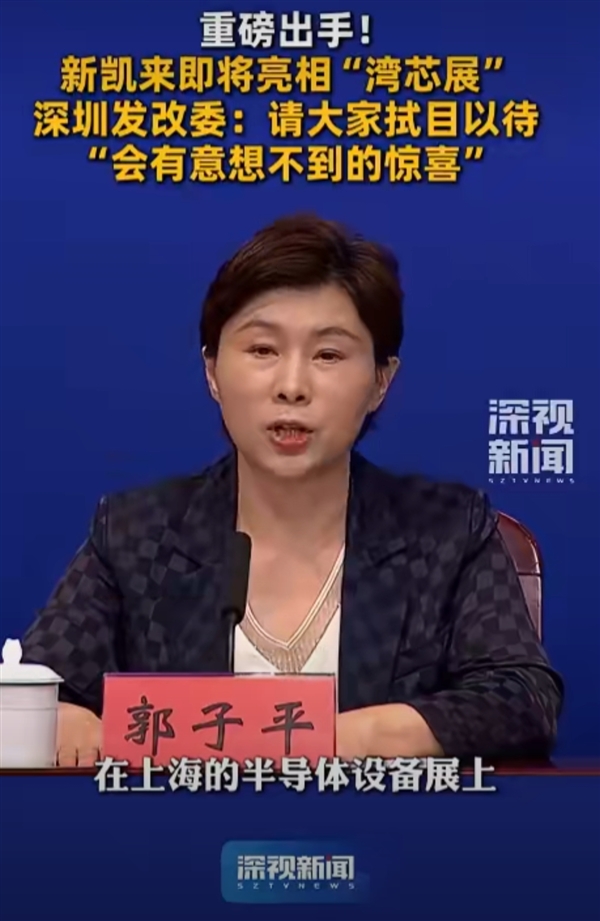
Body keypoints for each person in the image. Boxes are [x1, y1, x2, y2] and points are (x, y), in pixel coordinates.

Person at [21, 213, 563, 767]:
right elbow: (33, 687)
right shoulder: (138, 535)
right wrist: (56, 717)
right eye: (262, 350)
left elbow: (522, 699)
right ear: (212, 371)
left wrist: (337, 738)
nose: (292, 386)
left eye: (328, 355)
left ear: (380, 381)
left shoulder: (445, 531)